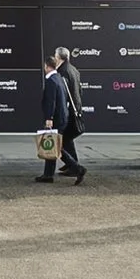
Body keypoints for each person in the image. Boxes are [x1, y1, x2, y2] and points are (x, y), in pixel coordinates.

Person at [36, 55, 85, 184]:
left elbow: (51, 101)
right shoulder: (59, 78)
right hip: (63, 117)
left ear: (46, 66)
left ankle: (77, 168)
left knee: (55, 146)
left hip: (56, 118)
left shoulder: (52, 80)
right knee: (53, 144)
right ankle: (48, 174)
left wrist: (49, 118)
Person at [51, 46, 86, 178]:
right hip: (76, 109)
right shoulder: (74, 70)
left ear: (58, 57)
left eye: (55, 55)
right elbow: (80, 90)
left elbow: (62, 93)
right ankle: (72, 164)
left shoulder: (62, 71)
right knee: (67, 138)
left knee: (62, 140)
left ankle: (74, 166)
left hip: (67, 111)